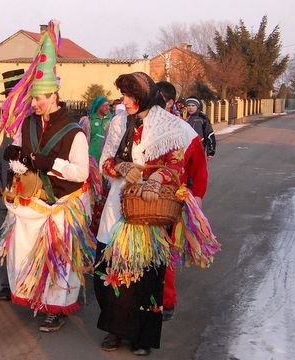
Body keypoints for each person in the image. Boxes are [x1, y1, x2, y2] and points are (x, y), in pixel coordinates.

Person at [94, 72, 219, 355]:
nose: (125, 102)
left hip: (150, 206)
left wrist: (157, 178)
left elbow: (178, 163)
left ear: (145, 97)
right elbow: (105, 160)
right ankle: (114, 329)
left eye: (131, 97)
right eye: (124, 96)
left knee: (147, 272)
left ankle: (141, 336)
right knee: (111, 267)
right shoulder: (117, 123)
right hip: (118, 204)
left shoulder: (170, 125)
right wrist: (121, 168)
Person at [0, 20, 95, 333]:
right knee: (27, 255)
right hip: (32, 203)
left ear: (53, 95)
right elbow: (21, 153)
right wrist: (15, 157)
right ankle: (38, 296)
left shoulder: (73, 132)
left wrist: (49, 162)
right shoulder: (28, 124)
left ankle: (59, 308)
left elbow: (80, 173)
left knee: (59, 260)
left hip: (62, 205)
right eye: (32, 99)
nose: (33, 104)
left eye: (38, 99)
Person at [156, 81, 209, 321]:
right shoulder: (144, 127)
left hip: (173, 201)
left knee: (167, 250)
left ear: (168, 103)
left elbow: (198, 167)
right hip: (143, 201)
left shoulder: (183, 130)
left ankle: (166, 300)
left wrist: (196, 197)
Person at [0, 68, 25, 301]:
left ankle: (25, 281)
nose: (12, 98)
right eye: (9, 94)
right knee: (5, 237)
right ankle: (6, 283)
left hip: (29, 191)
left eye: (17, 93)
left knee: (26, 240)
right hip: (5, 189)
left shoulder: (32, 118)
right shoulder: (2, 123)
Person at [78, 96, 112, 163]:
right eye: (105, 105)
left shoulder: (112, 121)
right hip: (90, 158)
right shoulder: (89, 121)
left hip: (106, 159)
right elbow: (81, 140)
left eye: (108, 105)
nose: (107, 108)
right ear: (98, 106)